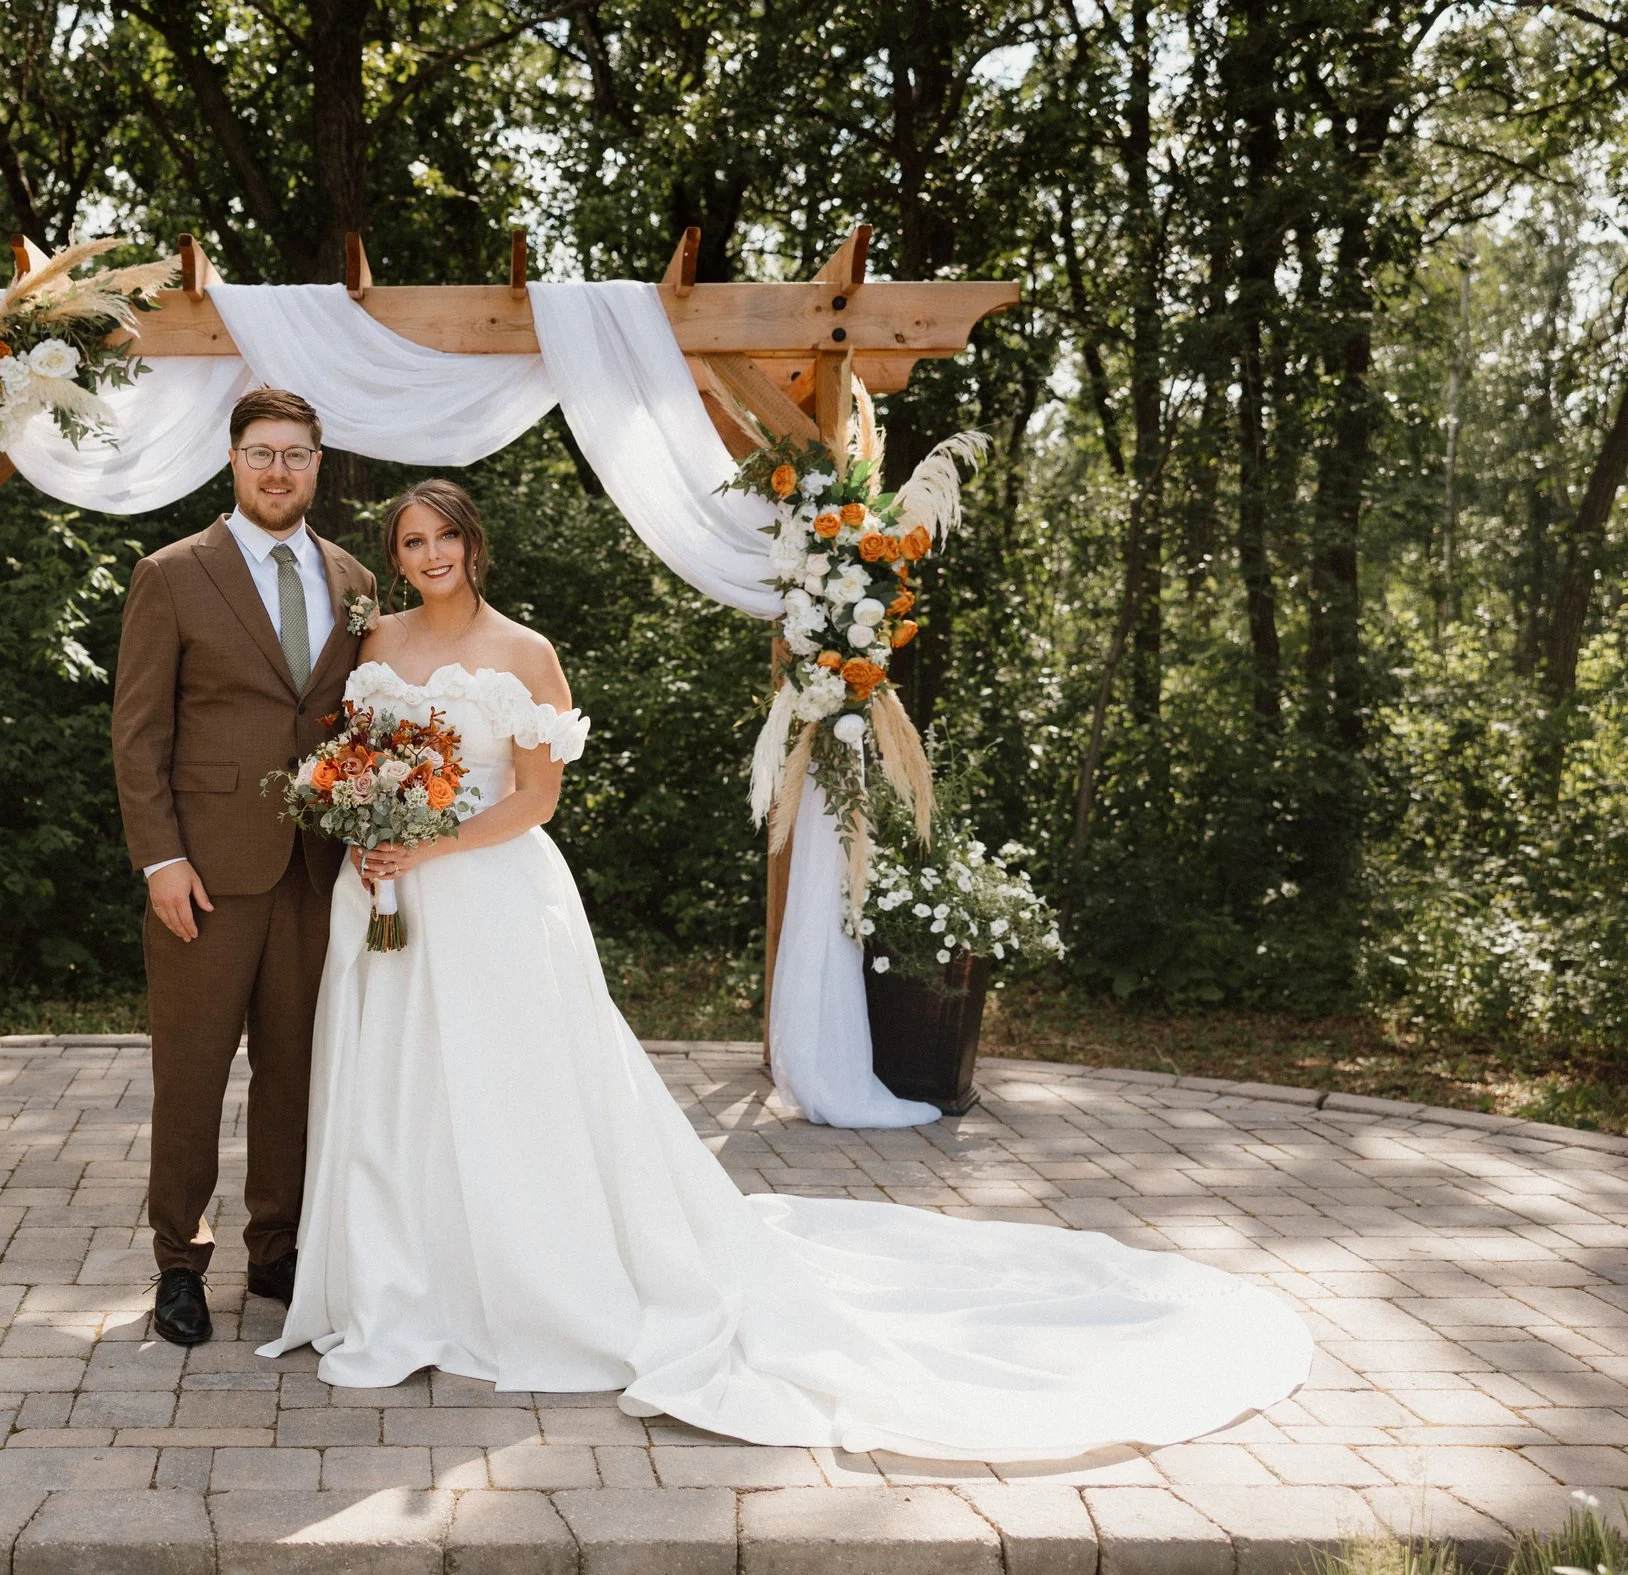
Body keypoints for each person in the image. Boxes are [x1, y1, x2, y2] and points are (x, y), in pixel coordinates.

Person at [258, 478, 1313, 1457]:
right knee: (396, 1085)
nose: (431, 552)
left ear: (473, 545)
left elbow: (536, 797)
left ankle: (521, 1279)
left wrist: (429, 844)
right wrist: (365, 827)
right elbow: (361, 756)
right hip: (383, 896)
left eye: (446, 537)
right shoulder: (378, 638)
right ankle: (401, 1281)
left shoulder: (524, 648)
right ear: (394, 557)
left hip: (486, 892)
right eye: (413, 541)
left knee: (507, 1090)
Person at [112, 389, 377, 1347]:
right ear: (232, 460)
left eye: (295, 455)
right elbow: (138, 736)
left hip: (318, 869)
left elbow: (366, 721)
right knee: (189, 1074)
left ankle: (278, 1250)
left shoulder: (354, 580)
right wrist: (162, 860)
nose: (278, 471)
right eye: (261, 453)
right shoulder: (173, 574)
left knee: (296, 1073)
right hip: (205, 877)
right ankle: (179, 1263)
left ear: (318, 462)